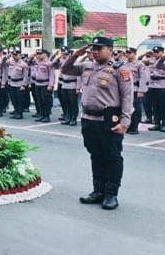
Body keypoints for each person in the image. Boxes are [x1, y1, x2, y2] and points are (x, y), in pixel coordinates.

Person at [61, 37, 133, 210]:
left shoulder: (119, 70)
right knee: (96, 155)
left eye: (99, 48)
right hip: (89, 119)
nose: (94, 51)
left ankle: (111, 194)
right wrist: (75, 54)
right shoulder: (87, 66)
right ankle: (98, 190)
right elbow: (65, 69)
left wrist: (125, 122)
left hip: (109, 119)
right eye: (93, 48)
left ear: (110, 50)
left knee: (112, 157)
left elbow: (127, 97)